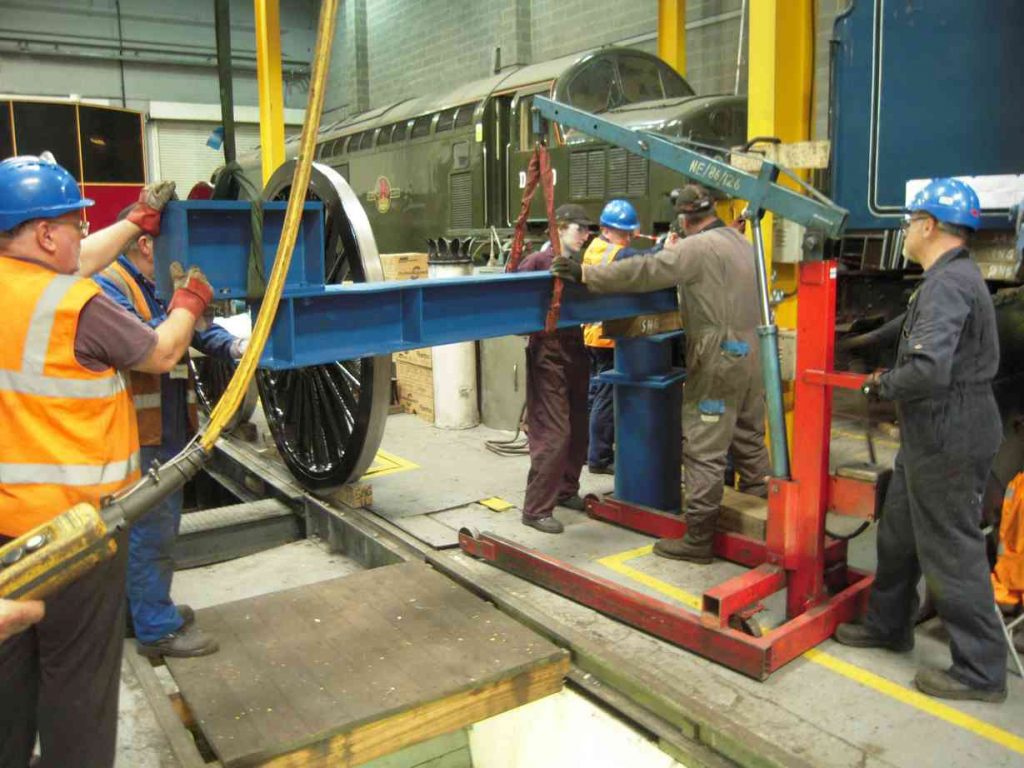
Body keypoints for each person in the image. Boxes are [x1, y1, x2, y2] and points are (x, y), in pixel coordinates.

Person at [0, 153, 214, 767]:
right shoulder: (78, 307)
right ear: (45, 233)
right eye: (74, 225)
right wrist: (189, 300)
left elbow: (71, 261)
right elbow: (161, 352)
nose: (82, 237)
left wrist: (134, 221)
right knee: (79, 688)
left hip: (9, 539)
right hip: (75, 538)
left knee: (9, 690)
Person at [834, 178, 1008, 703]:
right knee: (899, 531)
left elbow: (928, 370)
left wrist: (880, 384)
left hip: (948, 430)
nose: (906, 230)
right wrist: (853, 345)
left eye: (910, 221)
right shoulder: (945, 277)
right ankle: (890, 624)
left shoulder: (948, 285)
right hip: (931, 429)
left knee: (951, 549)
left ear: (928, 226)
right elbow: (908, 329)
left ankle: (981, 672)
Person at [552, 183, 770, 563]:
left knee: (704, 445)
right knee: (748, 433)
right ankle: (767, 512)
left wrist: (586, 273)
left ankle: (699, 538)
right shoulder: (741, 242)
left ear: (684, 218)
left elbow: (645, 271)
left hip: (718, 351)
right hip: (752, 350)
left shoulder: (697, 247)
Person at [94, 206, 245, 658]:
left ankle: (138, 612)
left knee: (147, 528)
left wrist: (237, 345)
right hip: (140, 432)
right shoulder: (109, 286)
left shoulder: (157, 286)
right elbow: (147, 345)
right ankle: (156, 629)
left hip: (170, 424)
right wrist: (183, 306)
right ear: (146, 244)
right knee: (151, 530)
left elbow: (197, 330)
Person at [515, 204, 593, 534]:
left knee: (578, 427)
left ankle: (565, 490)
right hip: (547, 350)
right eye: (581, 228)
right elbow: (513, 308)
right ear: (559, 228)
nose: (587, 236)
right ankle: (535, 509)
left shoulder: (582, 264)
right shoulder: (535, 262)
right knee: (554, 433)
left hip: (576, 347)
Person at [582, 199, 660, 475]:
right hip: (605, 337)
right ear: (606, 229)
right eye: (624, 234)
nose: (628, 239)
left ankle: (587, 449)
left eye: (630, 234)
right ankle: (600, 459)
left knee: (594, 395)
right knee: (606, 398)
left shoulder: (594, 247)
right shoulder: (611, 252)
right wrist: (665, 247)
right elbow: (640, 261)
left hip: (593, 334)